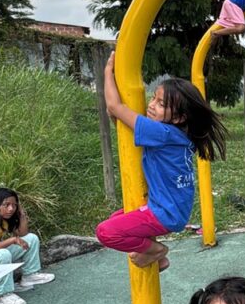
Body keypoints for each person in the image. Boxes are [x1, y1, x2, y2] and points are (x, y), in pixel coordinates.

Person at [96, 52, 227, 271]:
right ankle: (158, 256)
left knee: (106, 231)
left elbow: (114, 107)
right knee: (119, 217)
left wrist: (108, 72)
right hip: (171, 211)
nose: (152, 105)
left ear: (178, 118)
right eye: (153, 98)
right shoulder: (180, 135)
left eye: (161, 103)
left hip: (162, 213)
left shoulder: (161, 133)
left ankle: (156, 251)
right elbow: (118, 118)